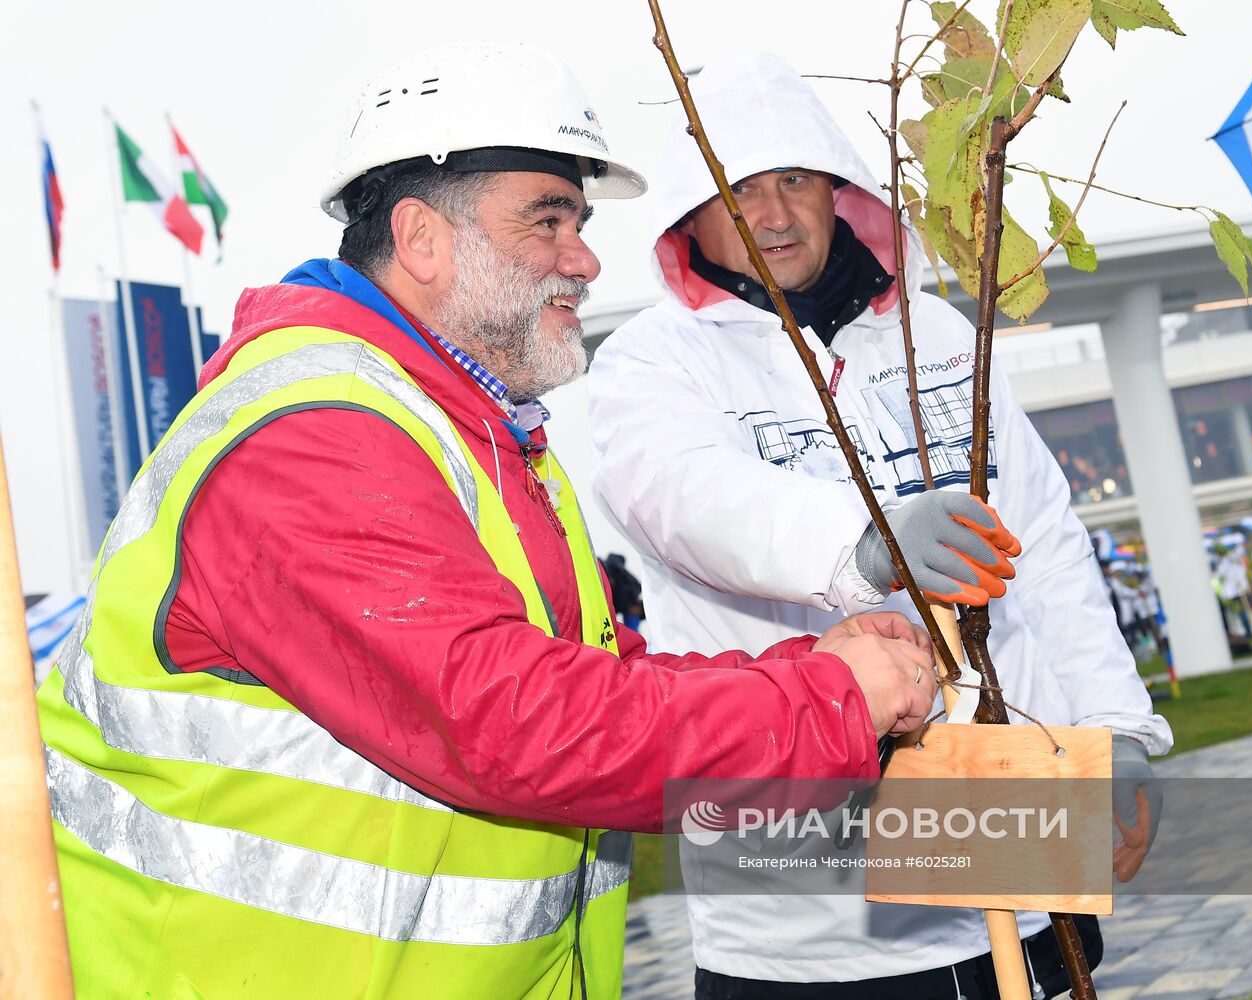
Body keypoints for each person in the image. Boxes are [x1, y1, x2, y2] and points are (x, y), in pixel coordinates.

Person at [35, 45, 942, 1000]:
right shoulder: (316, 432)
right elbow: (512, 721)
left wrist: (811, 672)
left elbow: (577, 683)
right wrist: (833, 693)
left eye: (580, 222)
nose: (585, 258)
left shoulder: (468, 431)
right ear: (421, 238)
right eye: (546, 219)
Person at [588, 53, 1172, 1000]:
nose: (773, 215)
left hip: (1013, 855)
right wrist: (863, 539)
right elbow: (687, 499)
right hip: (814, 919)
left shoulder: (935, 337)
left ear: (839, 192)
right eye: (738, 190)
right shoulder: (653, 366)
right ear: (690, 216)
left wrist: (1115, 729)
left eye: (795, 181)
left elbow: (1047, 546)